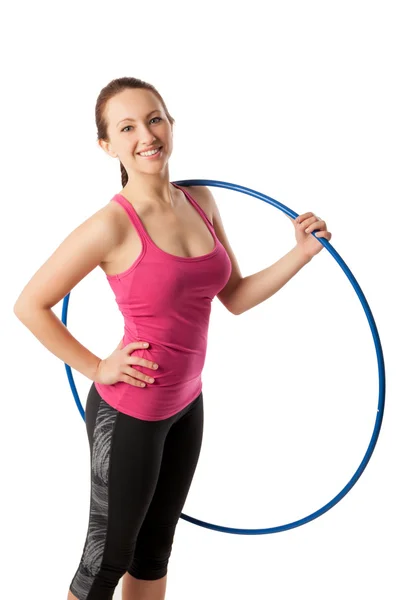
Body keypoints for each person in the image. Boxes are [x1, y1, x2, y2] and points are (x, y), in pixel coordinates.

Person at [13, 76, 332, 600]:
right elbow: (30, 305)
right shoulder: (111, 226)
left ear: (171, 124)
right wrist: (97, 367)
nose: (146, 135)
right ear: (107, 145)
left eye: (154, 118)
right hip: (131, 411)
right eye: (127, 126)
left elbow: (236, 296)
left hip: (187, 404)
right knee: (105, 560)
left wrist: (300, 252)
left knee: (155, 548)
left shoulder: (200, 201)